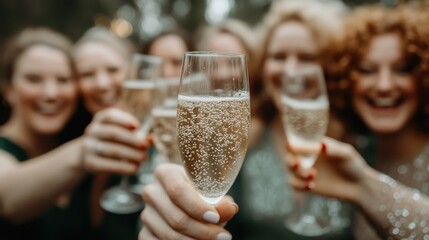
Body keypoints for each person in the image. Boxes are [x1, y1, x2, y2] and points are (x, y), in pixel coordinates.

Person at [138, 0, 351, 239]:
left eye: (307, 57)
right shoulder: (238, 139)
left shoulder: (361, 138)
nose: (291, 70)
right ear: (263, 63)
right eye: (279, 56)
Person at [287, 4, 429, 240]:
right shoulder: (355, 152)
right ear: (346, 81)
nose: (384, 85)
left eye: (402, 69)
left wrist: (365, 186)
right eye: (367, 70)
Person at [0, 27, 148, 240]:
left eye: (63, 80)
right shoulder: (81, 149)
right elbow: (7, 199)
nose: (51, 93)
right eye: (33, 79)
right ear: (7, 89)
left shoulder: (69, 138)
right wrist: (84, 151)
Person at [73, 26, 145, 240]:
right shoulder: (67, 135)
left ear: (132, 71)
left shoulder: (161, 140)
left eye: (113, 70)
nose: (102, 84)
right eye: (87, 74)